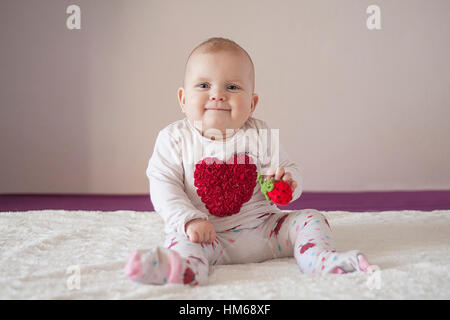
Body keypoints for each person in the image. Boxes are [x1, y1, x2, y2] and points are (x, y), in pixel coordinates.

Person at [124, 37, 372, 286]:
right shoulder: (174, 138)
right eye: (203, 85)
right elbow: (163, 185)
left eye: (231, 87)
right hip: (205, 234)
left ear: (252, 104)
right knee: (184, 243)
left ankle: (318, 258)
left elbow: (286, 171)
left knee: (311, 218)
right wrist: (189, 219)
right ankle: (182, 269)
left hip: (265, 230)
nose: (217, 95)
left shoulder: (260, 134)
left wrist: (286, 183)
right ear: (183, 98)